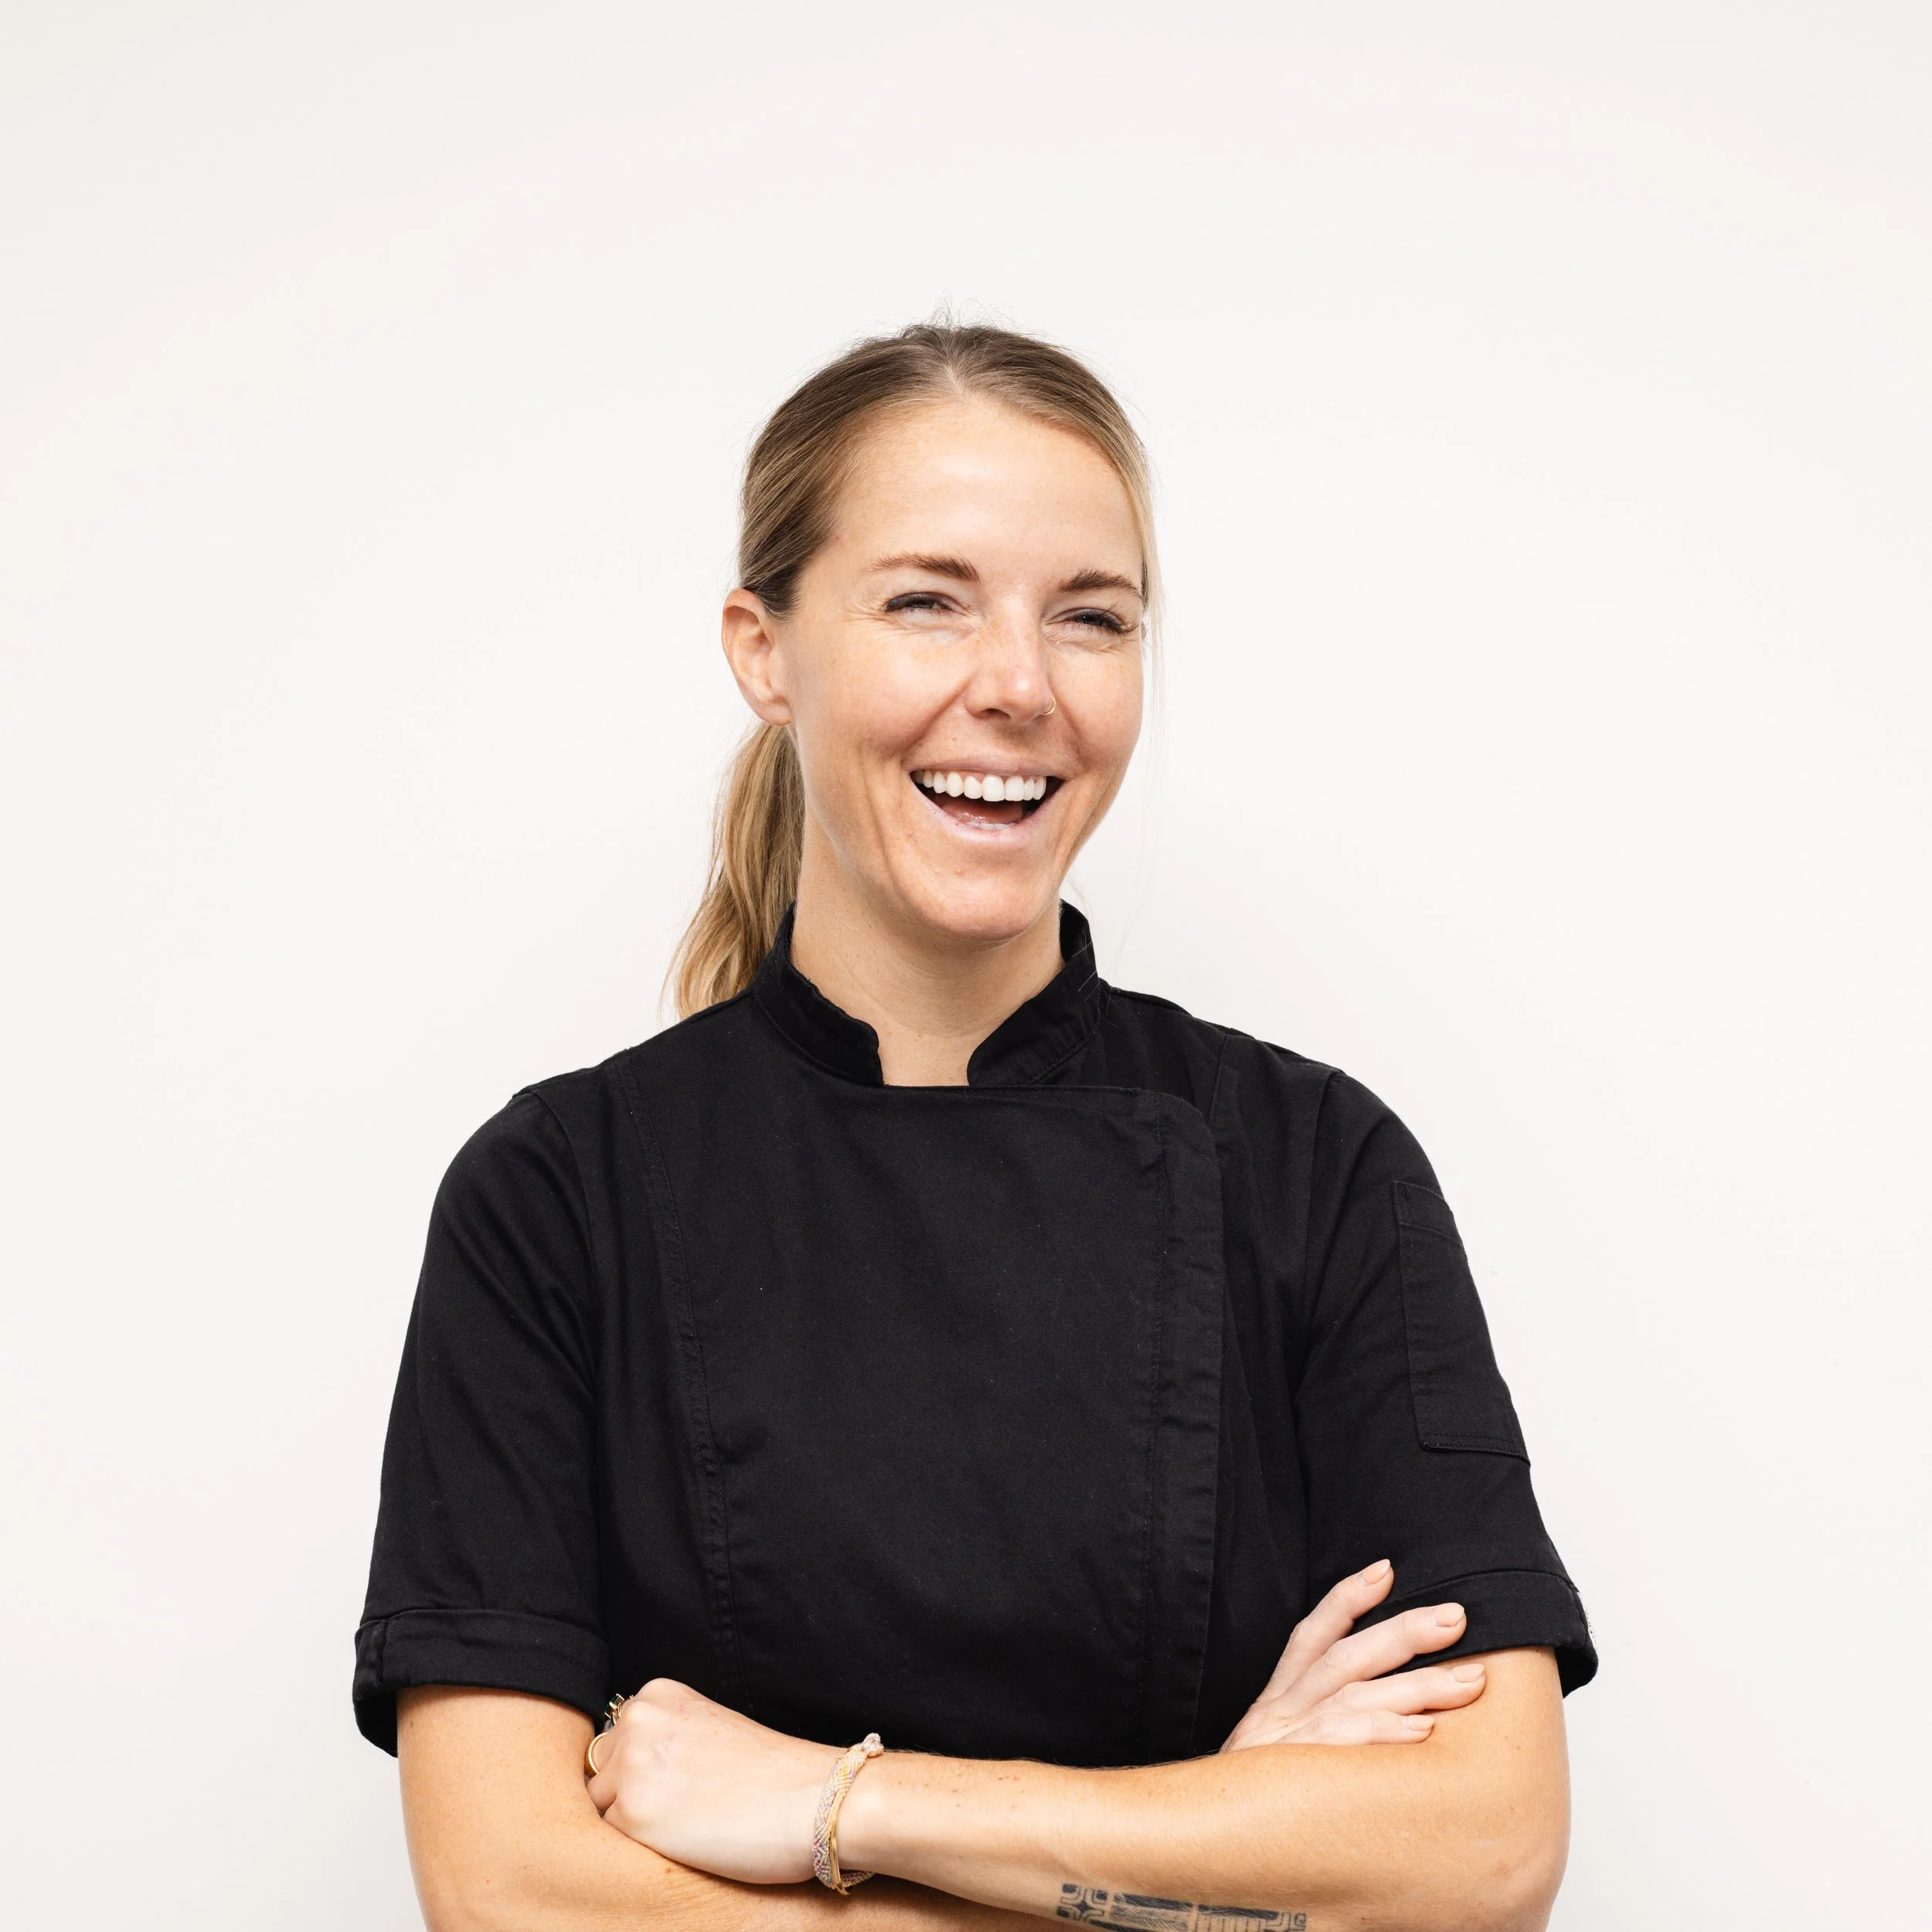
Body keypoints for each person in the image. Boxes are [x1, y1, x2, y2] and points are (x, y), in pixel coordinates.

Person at [357, 323, 1595, 1932]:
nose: (1017, 685)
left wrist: (831, 1802)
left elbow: (1485, 1847)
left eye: (1090, 617)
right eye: (926, 599)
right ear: (762, 646)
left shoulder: (1317, 1169)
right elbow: (511, 1887)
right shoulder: (552, 1201)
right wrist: (1215, 1841)